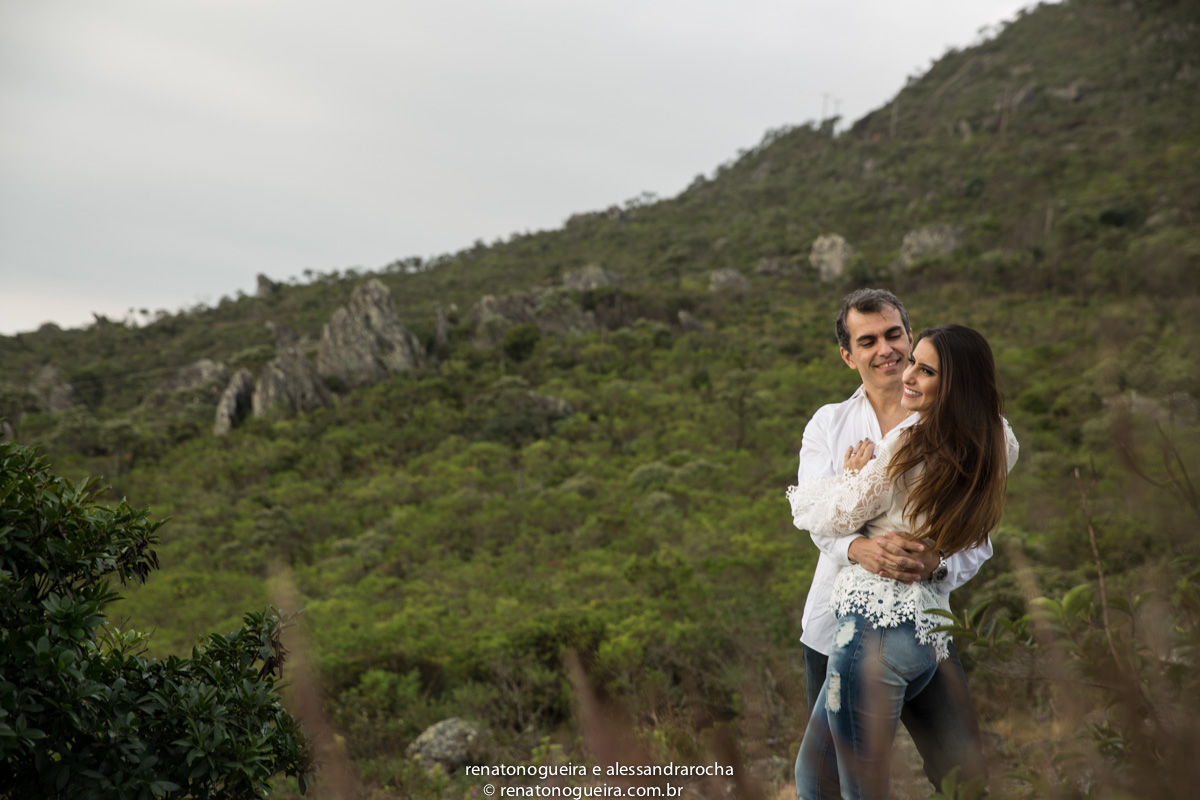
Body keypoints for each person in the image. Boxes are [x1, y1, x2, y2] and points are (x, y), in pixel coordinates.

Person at [791, 289, 1016, 797]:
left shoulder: (966, 426)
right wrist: (859, 549)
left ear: (910, 336)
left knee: (961, 771)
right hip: (832, 626)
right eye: (867, 341)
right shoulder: (828, 424)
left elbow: (978, 534)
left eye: (894, 335)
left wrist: (936, 561)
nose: (885, 349)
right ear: (849, 356)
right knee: (828, 778)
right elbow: (817, 522)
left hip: (922, 620)